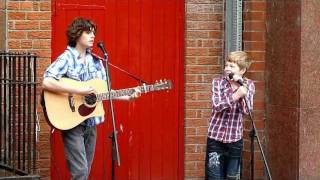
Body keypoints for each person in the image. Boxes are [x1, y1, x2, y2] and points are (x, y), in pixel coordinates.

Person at [42, 17, 141, 180]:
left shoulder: (97, 61)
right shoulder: (67, 58)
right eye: (88, 32)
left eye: (93, 32)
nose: (92, 36)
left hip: (91, 122)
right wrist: (78, 89)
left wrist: (127, 97)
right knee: (80, 172)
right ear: (76, 34)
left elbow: (104, 92)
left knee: (85, 171)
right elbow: (47, 81)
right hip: (71, 122)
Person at [205, 51, 255, 180]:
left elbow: (246, 111)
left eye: (231, 66)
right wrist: (235, 95)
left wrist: (241, 90)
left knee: (231, 177)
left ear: (242, 70)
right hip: (215, 138)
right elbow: (217, 105)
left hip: (235, 140)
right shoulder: (218, 82)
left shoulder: (248, 85)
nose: (227, 68)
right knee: (214, 176)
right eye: (226, 65)